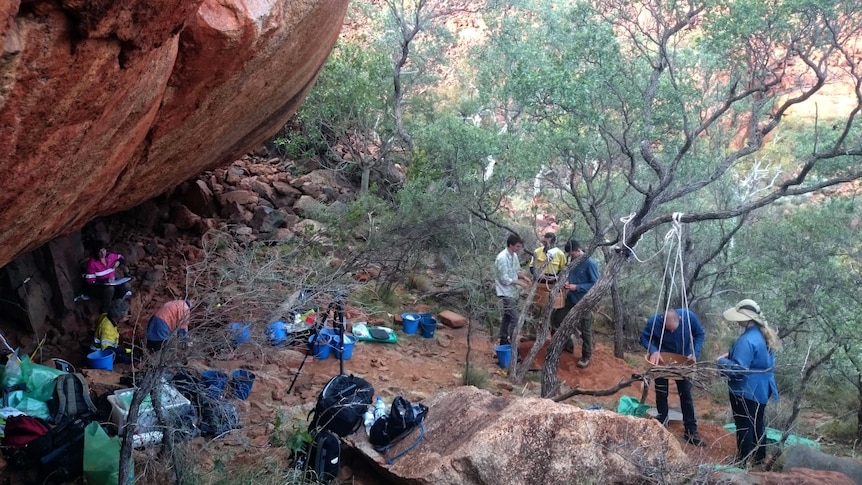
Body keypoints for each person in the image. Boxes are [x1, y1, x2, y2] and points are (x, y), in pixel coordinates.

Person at [717, 299, 779, 466]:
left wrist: (721, 362)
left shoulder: (746, 339)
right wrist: (732, 354)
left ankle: (742, 462)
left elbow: (738, 370)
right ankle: (759, 459)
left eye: (739, 317)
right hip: (763, 388)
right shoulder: (764, 335)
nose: (737, 320)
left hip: (746, 389)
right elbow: (761, 361)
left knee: (744, 424)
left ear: (747, 318)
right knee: (757, 422)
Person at [640, 307, 706, 446]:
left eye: (673, 329)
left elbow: (700, 334)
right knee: (661, 393)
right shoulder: (654, 322)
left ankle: (690, 431)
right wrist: (653, 350)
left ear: (679, 320)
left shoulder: (689, 318)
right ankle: (662, 426)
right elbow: (644, 337)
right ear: (662, 320)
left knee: (686, 395)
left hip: (684, 361)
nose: (671, 331)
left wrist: (695, 352)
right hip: (662, 360)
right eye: (667, 329)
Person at [551, 240, 599, 367]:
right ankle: (568, 345)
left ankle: (586, 356)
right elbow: (569, 275)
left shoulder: (590, 263)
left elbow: (595, 284)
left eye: (572, 254)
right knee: (557, 318)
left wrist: (576, 287)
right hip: (571, 298)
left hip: (585, 301)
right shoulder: (573, 261)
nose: (571, 256)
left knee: (585, 330)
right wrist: (566, 283)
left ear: (578, 250)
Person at [494, 234, 530, 346]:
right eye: (517, 246)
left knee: (507, 316)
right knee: (515, 318)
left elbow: (516, 270)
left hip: (512, 291)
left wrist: (524, 277)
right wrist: (520, 283)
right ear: (510, 245)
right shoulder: (502, 258)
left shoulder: (513, 255)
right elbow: (504, 279)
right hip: (504, 291)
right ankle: (512, 341)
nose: (519, 249)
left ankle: (504, 339)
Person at [83, 241, 131, 313]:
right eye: (100, 252)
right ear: (95, 253)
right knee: (110, 289)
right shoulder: (92, 263)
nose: (103, 253)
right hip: (97, 287)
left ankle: (115, 303)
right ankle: (105, 311)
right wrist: (105, 281)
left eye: (103, 250)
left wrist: (118, 262)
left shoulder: (110, 256)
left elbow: (121, 257)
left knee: (126, 286)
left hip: (112, 283)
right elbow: (90, 280)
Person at [92, 300, 132, 364]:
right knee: (126, 359)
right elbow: (107, 349)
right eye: (125, 314)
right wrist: (124, 350)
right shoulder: (107, 328)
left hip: (98, 350)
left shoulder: (105, 316)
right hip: (100, 355)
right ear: (119, 316)